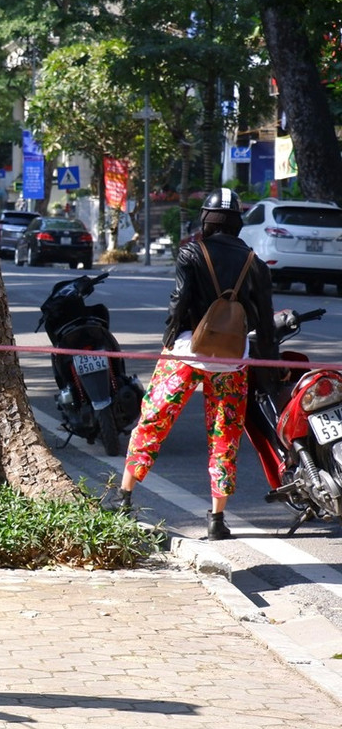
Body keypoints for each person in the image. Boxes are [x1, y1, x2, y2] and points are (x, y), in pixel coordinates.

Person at [103, 187, 277, 541]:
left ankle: (124, 498)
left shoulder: (191, 253)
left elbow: (178, 304)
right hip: (233, 361)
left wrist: (169, 341)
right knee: (225, 437)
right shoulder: (255, 263)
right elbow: (266, 323)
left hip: (185, 352)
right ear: (238, 223)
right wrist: (270, 366)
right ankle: (216, 520)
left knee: (153, 420)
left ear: (206, 220)